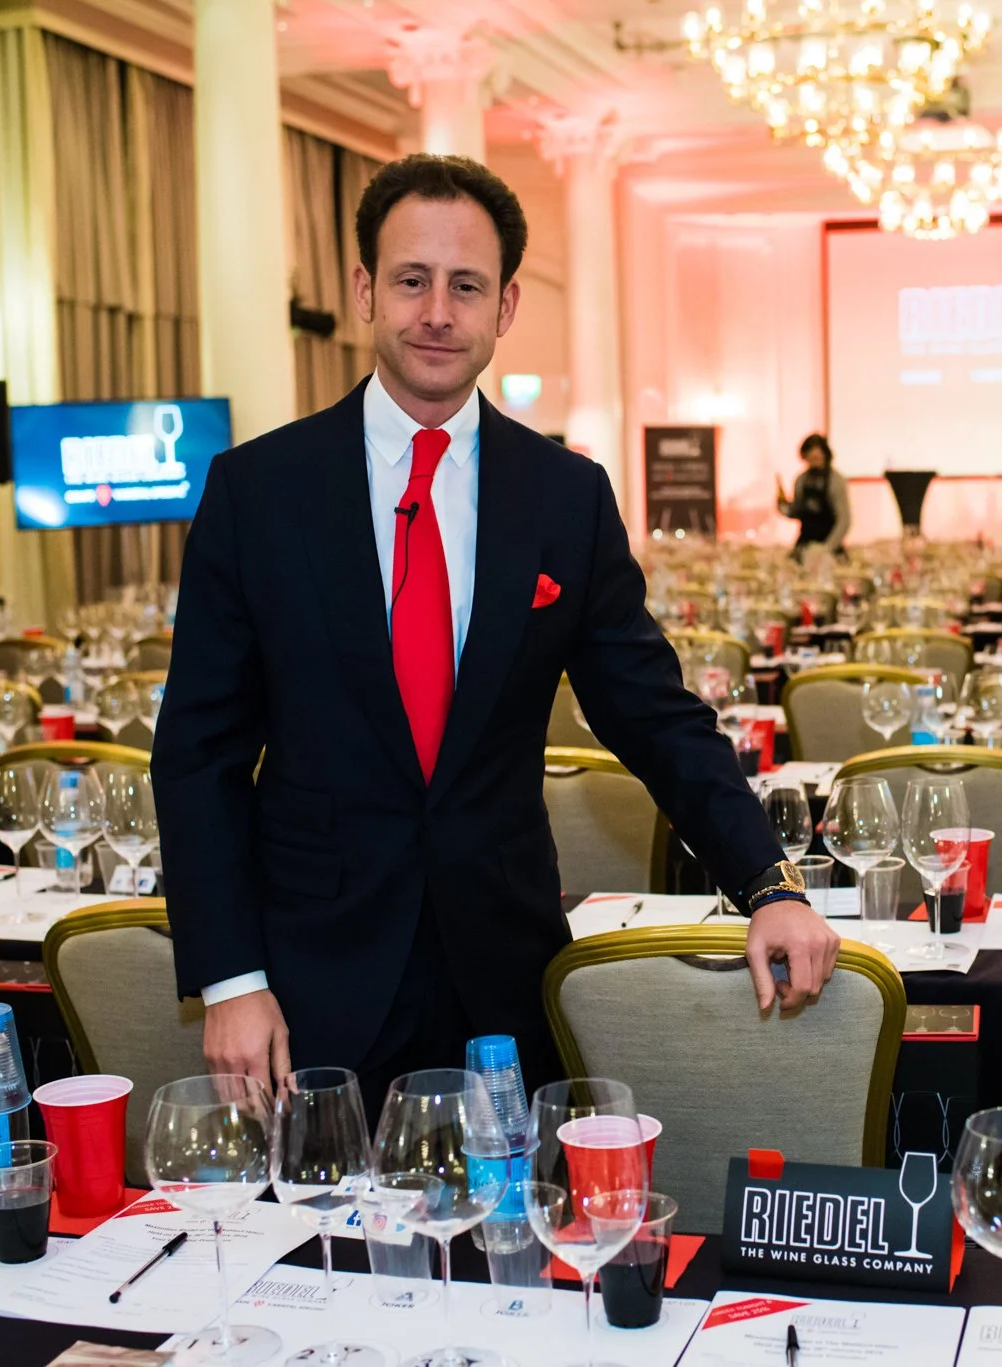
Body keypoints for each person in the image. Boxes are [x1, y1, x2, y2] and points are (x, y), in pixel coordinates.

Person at [153, 155, 840, 1100]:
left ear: (505, 307)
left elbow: (653, 714)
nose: (437, 311)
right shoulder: (258, 491)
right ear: (364, 289)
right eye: (411, 280)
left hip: (505, 976)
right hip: (310, 980)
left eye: (466, 285)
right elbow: (200, 754)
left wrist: (770, 882)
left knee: (512, 1238)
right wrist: (232, 980)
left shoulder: (565, 495)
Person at [775, 433, 851, 558]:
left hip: (829, 546)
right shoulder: (801, 480)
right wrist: (783, 508)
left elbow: (844, 520)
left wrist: (827, 548)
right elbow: (797, 511)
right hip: (805, 543)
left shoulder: (836, 481)